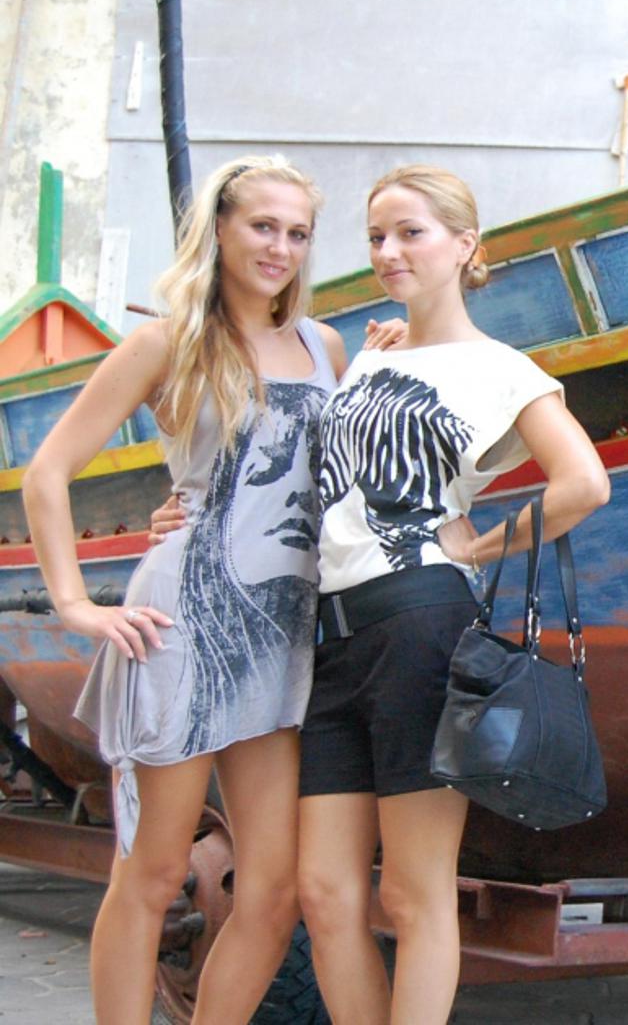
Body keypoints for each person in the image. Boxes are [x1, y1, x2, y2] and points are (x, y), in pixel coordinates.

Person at [22, 155, 398, 1023]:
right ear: (220, 229)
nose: (280, 247)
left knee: (272, 890)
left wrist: (380, 374)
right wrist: (76, 604)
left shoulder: (325, 345)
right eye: (263, 226)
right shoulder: (166, 342)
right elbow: (47, 473)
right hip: (182, 624)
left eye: (297, 233)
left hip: (284, 633)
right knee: (153, 873)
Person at [294, 164, 609, 1022]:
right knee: (323, 892)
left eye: (412, 233)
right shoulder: (374, 353)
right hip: (331, 637)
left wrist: (480, 542)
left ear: (466, 245)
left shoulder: (501, 368)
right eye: (376, 237)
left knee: (411, 891)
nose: (389, 251)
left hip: (420, 624)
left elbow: (584, 483)